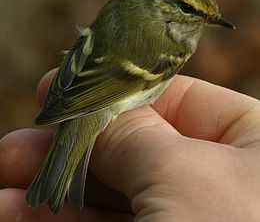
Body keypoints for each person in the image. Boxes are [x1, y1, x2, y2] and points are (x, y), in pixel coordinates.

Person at [1, 69, 260, 222]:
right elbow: (120, 82)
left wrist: (68, 96)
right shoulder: (170, 45)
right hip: (107, 98)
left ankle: (53, 184)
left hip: (71, 81)